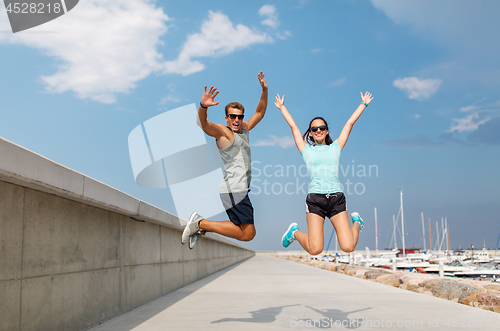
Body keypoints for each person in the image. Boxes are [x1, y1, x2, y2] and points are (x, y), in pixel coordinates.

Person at [275, 91, 373, 255]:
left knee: (348, 247)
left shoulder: (336, 147)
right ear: (311, 133)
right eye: (314, 129)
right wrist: (282, 107)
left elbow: (349, 123)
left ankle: (356, 223)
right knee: (315, 249)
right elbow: (293, 127)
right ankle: (294, 233)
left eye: (322, 128)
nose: (318, 130)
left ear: (327, 131)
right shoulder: (306, 150)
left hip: (336, 199)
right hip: (316, 200)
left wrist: (363, 104)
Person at [181, 71, 268, 249]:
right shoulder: (224, 132)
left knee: (245, 233)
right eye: (233, 116)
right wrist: (203, 107)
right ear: (227, 118)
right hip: (234, 189)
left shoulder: (244, 130)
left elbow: (260, 112)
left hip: (238, 189)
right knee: (248, 233)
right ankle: (200, 224)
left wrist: (264, 90)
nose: (237, 120)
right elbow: (203, 124)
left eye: (240, 116)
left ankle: (200, 225)